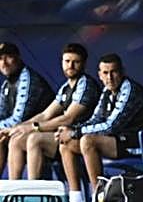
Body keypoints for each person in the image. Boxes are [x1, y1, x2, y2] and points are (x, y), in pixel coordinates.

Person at [56, 52, 143, 202]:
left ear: (122, 72)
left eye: (114, 72)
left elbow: (111, 126)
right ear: (99, 75)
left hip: (140, 143)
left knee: (87, 141)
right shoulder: (107, 92)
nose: (110, 77)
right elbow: (96, 119)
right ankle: (76, 199)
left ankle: (98, 200)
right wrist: (71, 131)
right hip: (119, 140)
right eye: (105, 73)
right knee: (66, 144)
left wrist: (74, 133)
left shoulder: (130, 90)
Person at [5, 41, 100, 180]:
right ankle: (14, 192)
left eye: (76, 62)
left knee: (35, 139)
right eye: (67, 61)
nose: (70, 66)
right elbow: (45, 114)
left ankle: (34, 193)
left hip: (81, 137)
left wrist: (33, 127)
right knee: (16, 139)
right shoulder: (65, 87)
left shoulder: (86, 85)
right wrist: (18, 128)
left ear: (84, 64)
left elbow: (68, 118)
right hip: (62, 136)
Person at [0, 41, 55, 176]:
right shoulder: (8, 83)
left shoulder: (28, 80)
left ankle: (15, 191)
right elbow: (1, 113)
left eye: (8, 57)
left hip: (46, 133)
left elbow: (19, 119)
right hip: (23, 131)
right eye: (0, 59)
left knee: (8, 138)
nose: (4, 63)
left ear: (18, 58)